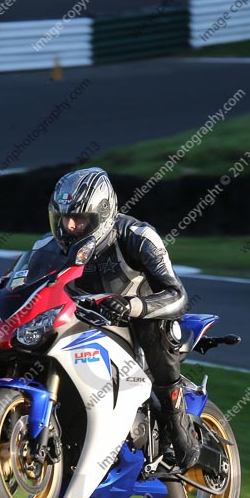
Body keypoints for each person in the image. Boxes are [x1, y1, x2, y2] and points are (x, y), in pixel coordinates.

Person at [46, 166, 200, 471]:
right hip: (86, 323)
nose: (70, 225)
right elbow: (29, 284)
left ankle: (178, 427)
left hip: (142, 320)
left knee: (155, 331)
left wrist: (134, 306)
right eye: (64, 218)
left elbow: (177, 294)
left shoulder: (138, 236)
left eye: (80, 218)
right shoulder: (50, 246)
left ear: (102, 215)